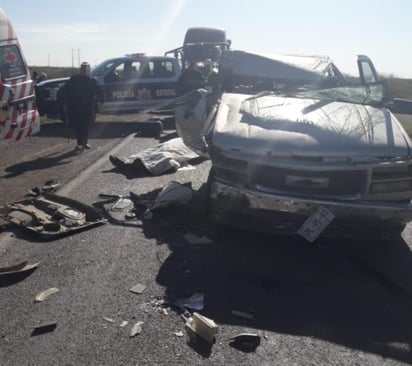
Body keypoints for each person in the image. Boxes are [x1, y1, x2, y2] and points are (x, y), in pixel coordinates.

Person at [64, 62, 103, 152]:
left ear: (88, 70)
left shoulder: (91, 80)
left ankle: (84, 143)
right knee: (78, 125)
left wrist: (100, 102)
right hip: (76, 107)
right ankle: (79, 143)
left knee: (86, 126)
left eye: (86, 69)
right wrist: (66, 102)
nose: (84, 70)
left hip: (88, 107)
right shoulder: (74, 79)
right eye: (83, 69)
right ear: (80, 70)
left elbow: (100, 91)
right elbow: (66, 89)